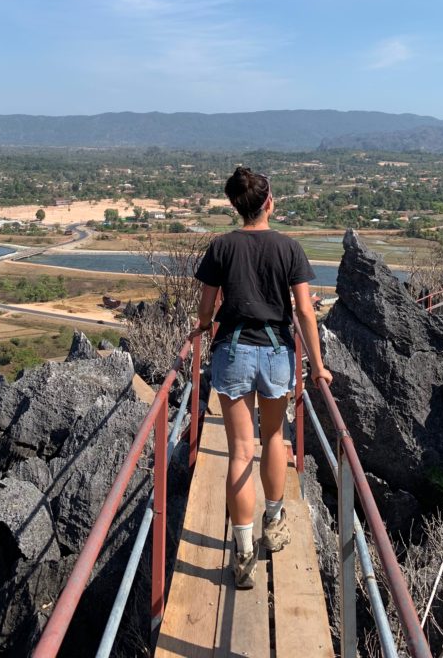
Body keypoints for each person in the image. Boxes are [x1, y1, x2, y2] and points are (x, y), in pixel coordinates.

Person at [189, 166, 333, 589]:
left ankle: (244, 550)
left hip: (232, 351)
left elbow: (206, 306)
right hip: (275, 353)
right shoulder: (289, 249)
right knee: (274, 439)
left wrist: (201, 327)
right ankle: (274, 521)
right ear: (269, 202)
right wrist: (318, 366)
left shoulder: (221, 247)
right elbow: (304, 311)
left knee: (238, 452)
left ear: (237, 205)